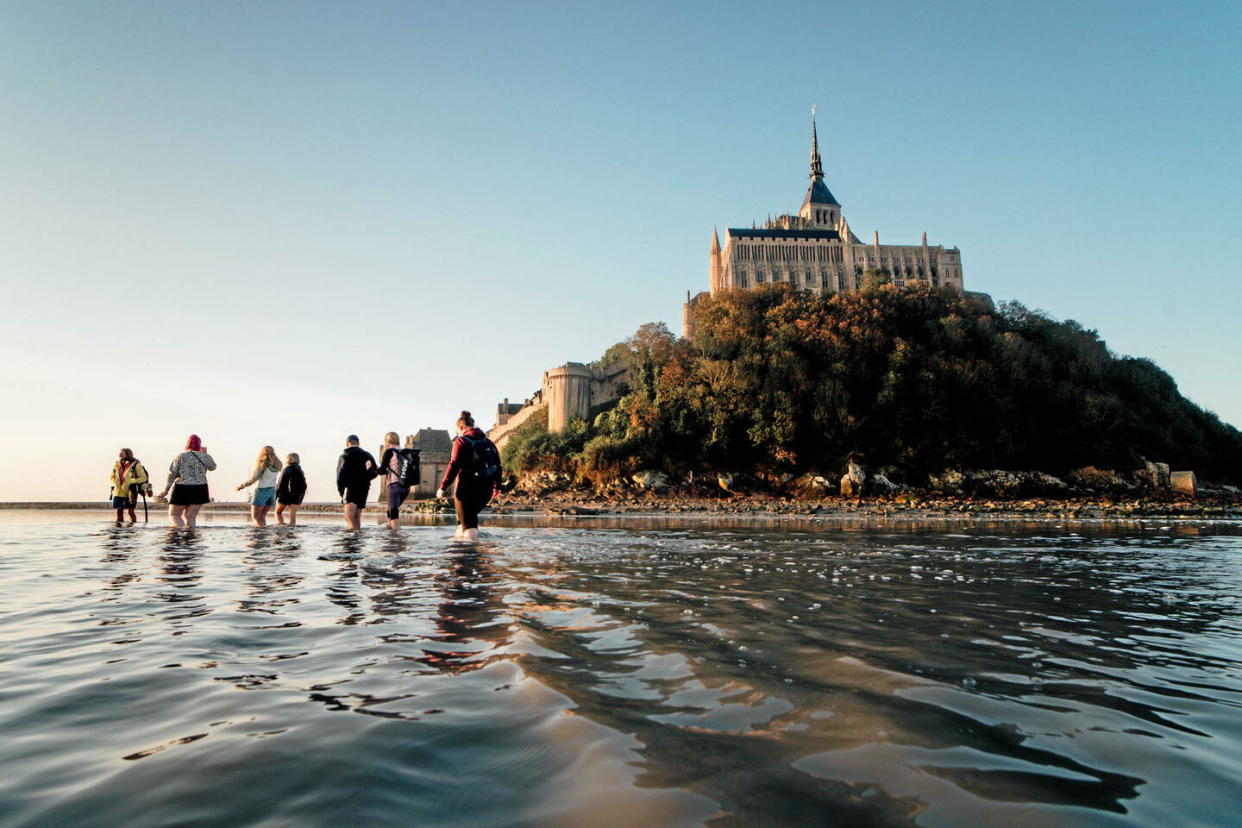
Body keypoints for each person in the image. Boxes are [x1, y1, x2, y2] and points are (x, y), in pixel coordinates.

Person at [437, 411, 503, 541]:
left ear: (461, 427)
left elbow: (454, 465)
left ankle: (469, 558)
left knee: (469, 525)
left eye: (457, 430)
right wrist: (497, 486)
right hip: (486, 489)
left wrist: (443, 486)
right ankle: (466, 554)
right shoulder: (489, 442)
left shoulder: (461, 441)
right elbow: (498, 466)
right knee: (465, 522)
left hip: (466, 489)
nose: (457, 433)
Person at [158, 435, 216, 528]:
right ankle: (190, 538)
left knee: (174, 515)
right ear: (199, 444)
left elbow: (172, 473)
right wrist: (205, 454)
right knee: (191, 517)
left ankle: (180, 532)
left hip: (182, 487)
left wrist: (166, 489)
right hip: (200, 488)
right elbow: (212, 467)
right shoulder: (204, 456)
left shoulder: (181, 456)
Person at [336, 434, 377, 529]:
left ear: (347, 443)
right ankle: (358, 538)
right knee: (357, 517)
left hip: (349, 488)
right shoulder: (367, 455)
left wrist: (341, 491)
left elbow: (339, 476)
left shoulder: (344, 456)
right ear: (358, 443)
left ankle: (352, 538)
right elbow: (374, 472)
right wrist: (365, 479)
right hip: (364, 488)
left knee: (348, 517)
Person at [236, 445, 281, 527]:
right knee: (262, 515)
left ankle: (259, 534)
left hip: (261, 491)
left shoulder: (262, 464)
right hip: (272, 492)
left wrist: (242, 486)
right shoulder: (277, 464)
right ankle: (264, 533)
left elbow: (254, 479)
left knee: (255, 516)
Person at [109, 448, 149, 523]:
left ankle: (131, 530)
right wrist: (116, 482)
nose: (119, 455)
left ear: (128, 454)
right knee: (119, 512)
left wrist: (131, 481)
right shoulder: (117, 464)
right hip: (118, 491)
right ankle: (118, 530)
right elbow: (112, 476)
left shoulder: (136, 465)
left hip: (130, 492)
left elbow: (144, 478)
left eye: (122, 453)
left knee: (131, 512)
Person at [378, 431, 409, 530]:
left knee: (394, 512)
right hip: (406, 487)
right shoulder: (405, 452)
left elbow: (382, 470)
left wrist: (372, 468)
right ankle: (390, 534)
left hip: (394, 485)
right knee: (390, 511)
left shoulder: (389, 452)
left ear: (387, 441)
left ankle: (396, 539)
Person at [276, 452, 307, 526]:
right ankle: (291, 531)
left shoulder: (286, 469)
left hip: (285, 495)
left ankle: (281, 526)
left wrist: (276, 495)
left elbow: (280, 483)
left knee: (278, 512)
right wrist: (301, 497)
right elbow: (304, 485)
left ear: (288, 459)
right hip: (296, 496)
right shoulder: (300, 470)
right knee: (292, 520)